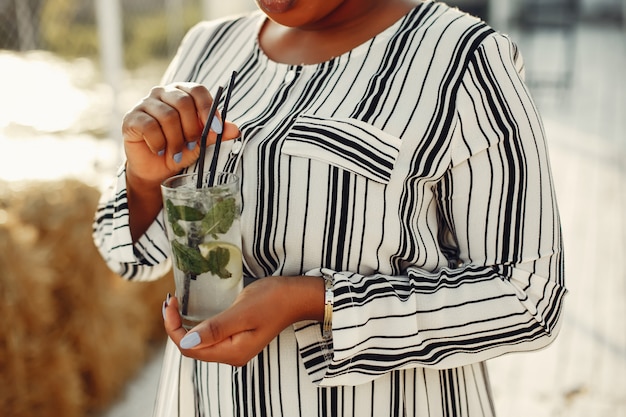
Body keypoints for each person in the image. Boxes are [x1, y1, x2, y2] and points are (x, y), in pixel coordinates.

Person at [93, 0, 567, 415]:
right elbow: (128, 260)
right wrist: (143, 180)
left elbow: (530, 297)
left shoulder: (462, 59)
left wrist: (316, 301)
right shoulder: (207, 47)